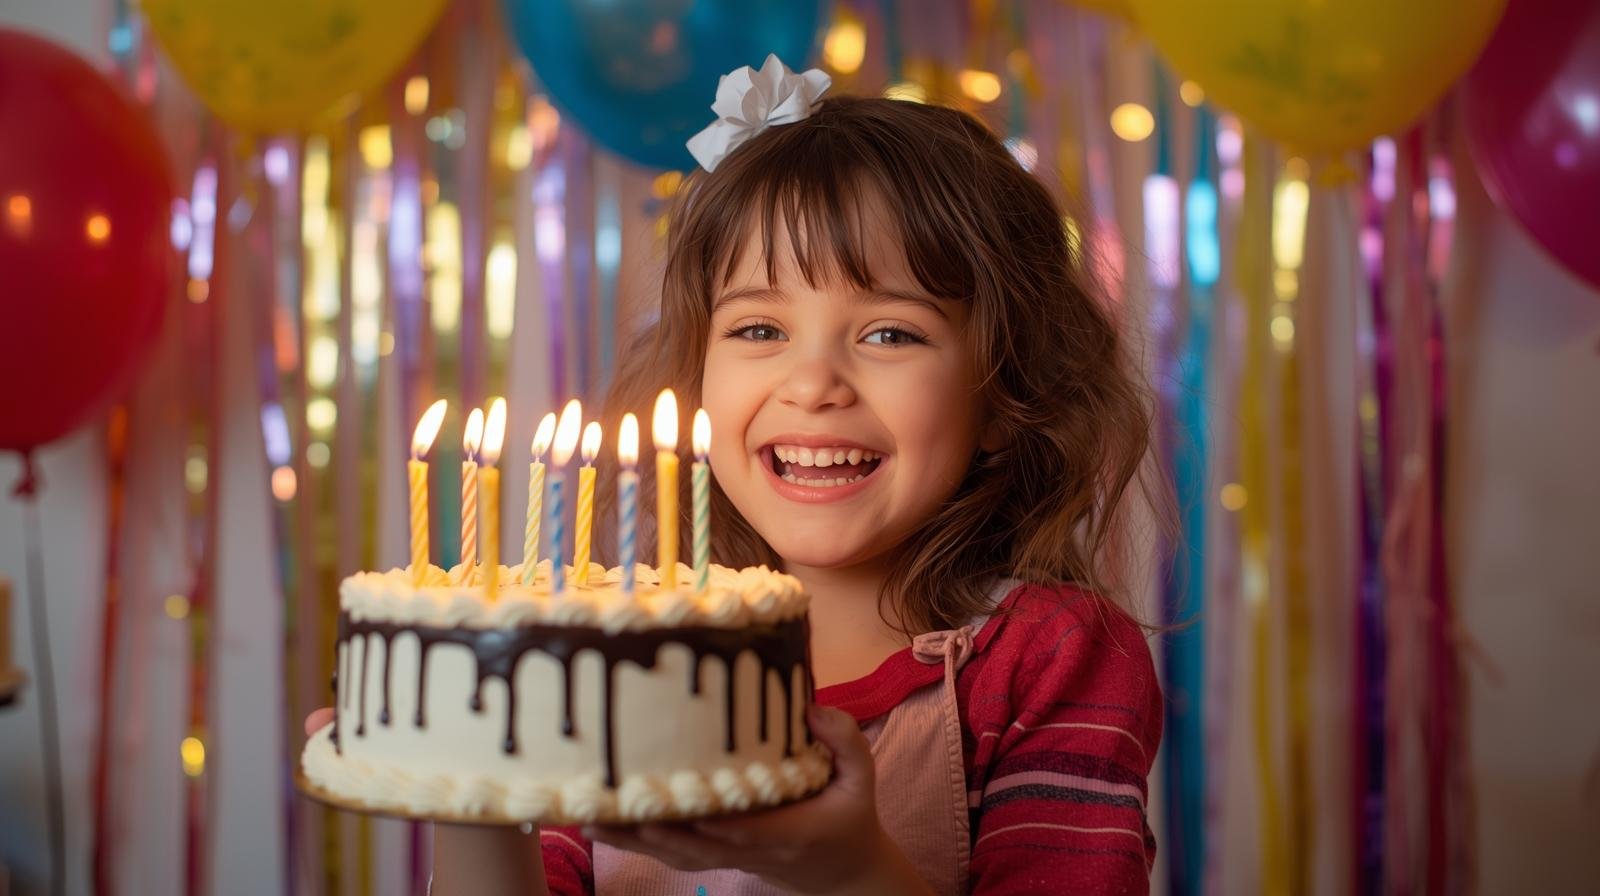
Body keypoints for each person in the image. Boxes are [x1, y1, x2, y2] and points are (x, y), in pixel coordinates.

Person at [312, 55, 1167, 895]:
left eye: (890, 334)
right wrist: (475, 796)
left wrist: (845, 869)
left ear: (1003, 397)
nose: (812, 384)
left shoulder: (1049, 657)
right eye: (760, 329)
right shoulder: (610, 642)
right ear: (695, 374)